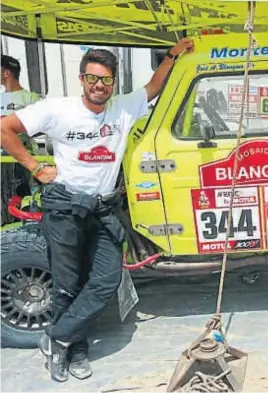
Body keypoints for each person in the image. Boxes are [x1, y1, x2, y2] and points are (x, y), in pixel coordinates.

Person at [0, 38, 194, 382]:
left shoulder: (122, 107)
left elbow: (152, 87)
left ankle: (56, 337)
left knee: (106, 280)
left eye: (105, 80)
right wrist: (35, 167)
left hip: (103, 209)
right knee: (66, 285)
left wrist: (172, 56)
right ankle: (74, 353)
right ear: (82, 79)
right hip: (65, 207)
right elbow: (6, 128)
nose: (99, 86)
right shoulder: (57, 109)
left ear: (113, 83)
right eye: (92, 78)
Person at [1, 55, 43, 224]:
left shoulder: (30, 99)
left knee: (23, 192)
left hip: (22, 154)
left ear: (6, 73)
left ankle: (24, 228)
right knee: (4, 194)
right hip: (2, 158)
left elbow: (41, 127)